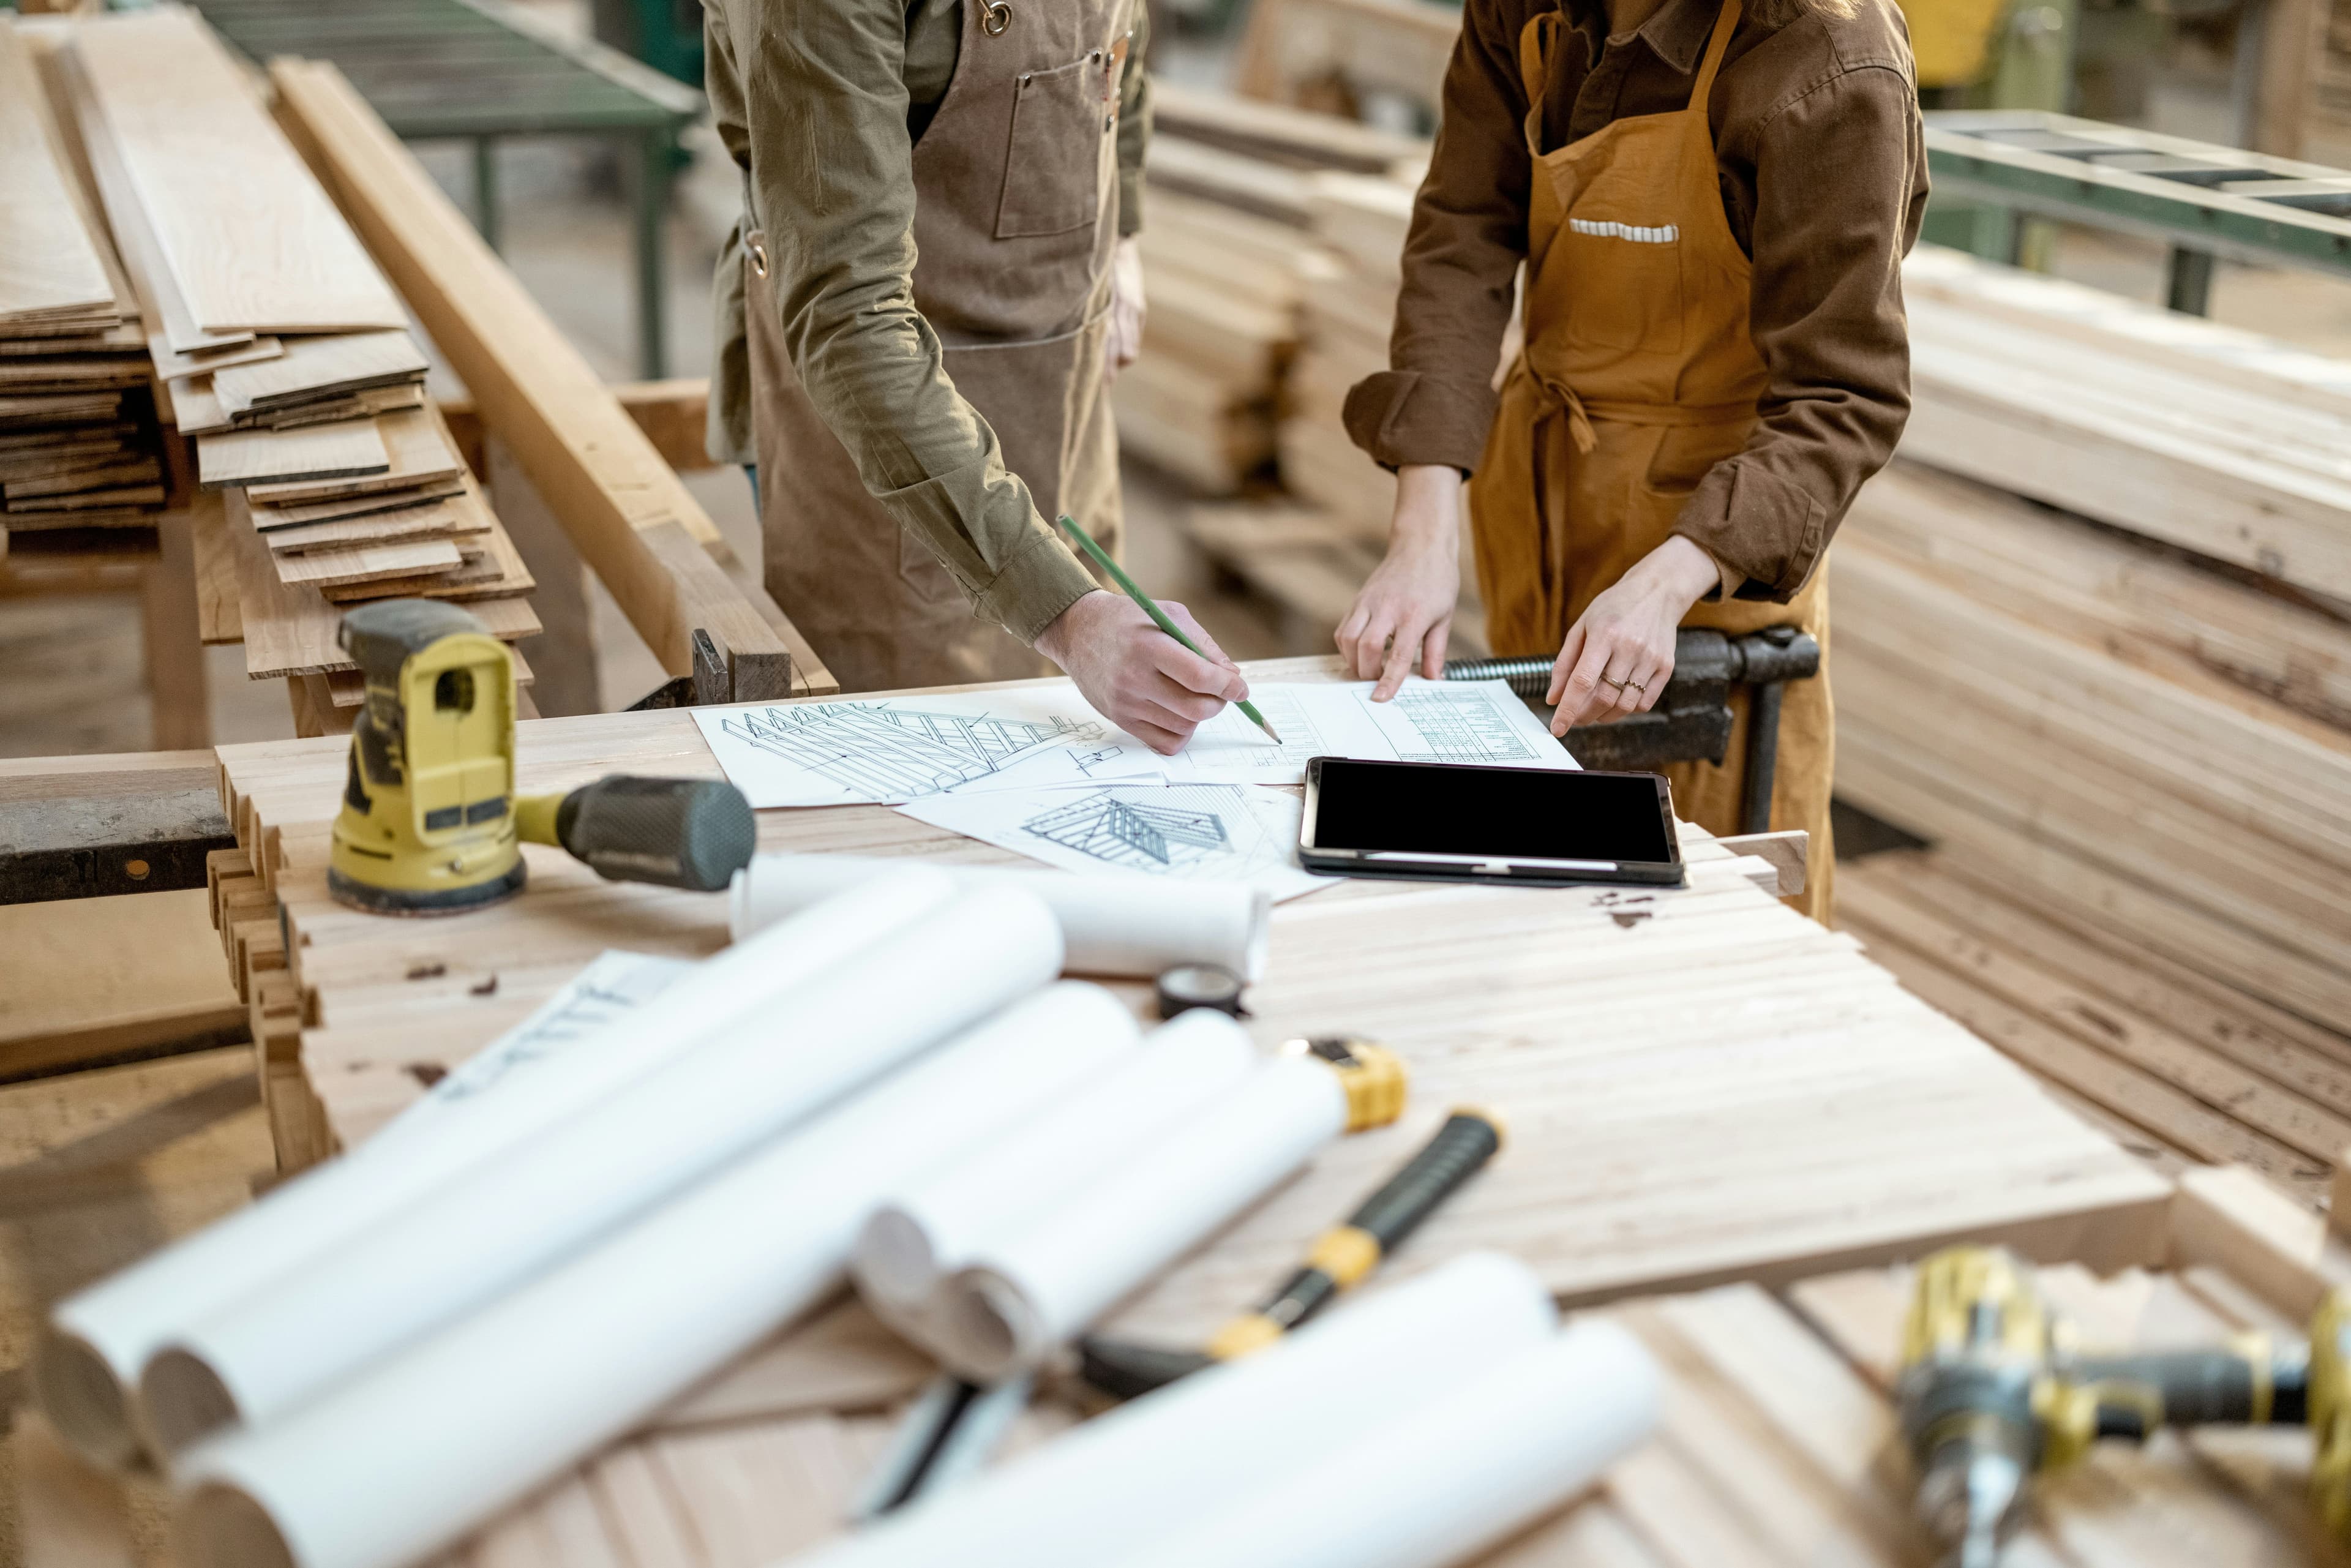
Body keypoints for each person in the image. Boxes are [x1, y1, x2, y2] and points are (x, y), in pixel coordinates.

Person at [1333, 0, 1927, 919]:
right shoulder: (1526, 12)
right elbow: (1465, 233)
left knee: (1717, 920)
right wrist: (1423, 527)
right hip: (1540, 506)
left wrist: (1668, 584)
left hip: (1711, 567)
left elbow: (1843, 396)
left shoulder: (1830, 57)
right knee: (1543, 898)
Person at [700, 0, 1249, 756]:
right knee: (915, 778)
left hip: (1059, 383)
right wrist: (1069, 616)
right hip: (881, 419)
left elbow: (1123, 38)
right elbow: (850, 318)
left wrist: (1121, 239)